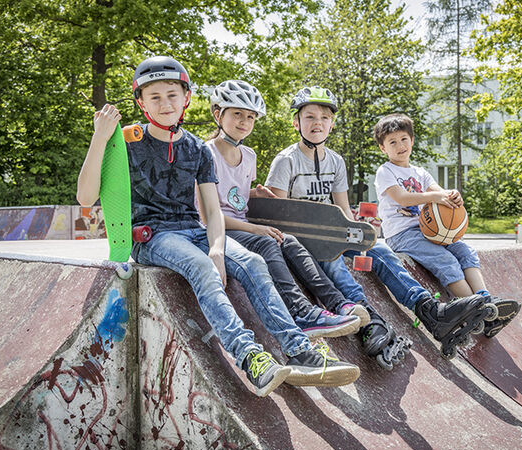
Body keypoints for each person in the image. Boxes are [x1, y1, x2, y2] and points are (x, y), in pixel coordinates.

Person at [76, 57, 358, 398]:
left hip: (191, 228)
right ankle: (251, 356)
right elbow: (86, 196)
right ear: (141, 102)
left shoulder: (196, 148)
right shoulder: (126, 142)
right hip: (151, 235)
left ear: (186, 99)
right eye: (155, 97)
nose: (165, 104)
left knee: (254, 262)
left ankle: (300, 348)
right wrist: (100, 138)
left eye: (172, 95)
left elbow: (211, 209)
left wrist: (218, 248)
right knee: (200, 267)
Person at [265, 86, 492, 365]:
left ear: (332, 124)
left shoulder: (336, 162)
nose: (317, 123)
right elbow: (279, 216)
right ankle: (370, 320)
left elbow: (343, 210)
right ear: (296, 123)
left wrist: (361, 232)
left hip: (333, 231)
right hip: (303, 238)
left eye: (324, 118)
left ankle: (429, 311)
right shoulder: (285, 160)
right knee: (334, 263)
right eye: (309, 117)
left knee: (380, 249)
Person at [202, 80, 369, 342]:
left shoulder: (249, 155)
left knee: (289, 242)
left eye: (250, 117)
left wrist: (254, 194)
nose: (244, 122)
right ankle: (300, 312)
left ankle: (338, 303)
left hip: (241, 226)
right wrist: (255, 228)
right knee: (270, 243)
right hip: (219, 231)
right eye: (237, 114)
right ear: (218, 114)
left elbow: (233, 196)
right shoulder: (205, 154)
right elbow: (209, 214)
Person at [373, 113, 521, 338]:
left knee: (465, 250)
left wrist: (452, 195)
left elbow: (438, 191)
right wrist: (434, 198)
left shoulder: (420, 172)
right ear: (383, 149)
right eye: (392, 142)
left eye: (403, 139)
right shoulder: (386, 172)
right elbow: (402, 198)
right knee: (446, 260)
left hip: (427, 231)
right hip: (402, 234)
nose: (400, 146)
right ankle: (476, 311)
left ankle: (487, 302)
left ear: (412, 140)